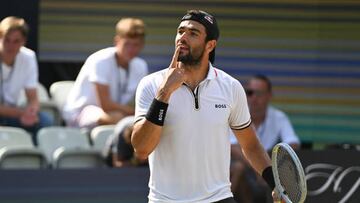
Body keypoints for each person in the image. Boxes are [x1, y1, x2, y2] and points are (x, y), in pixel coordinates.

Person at [131, 10, 280, 203]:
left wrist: (276, 184)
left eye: (193, 33)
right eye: (180, 31)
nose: (182, 38)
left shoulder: (231, 87)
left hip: (219, 198)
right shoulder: (151, 85)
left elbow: (250, 145)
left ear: (210, 45)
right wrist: (164, 92)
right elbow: (141, 149)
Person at [63, 18, 148, 129]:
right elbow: (106, 105)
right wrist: (133, 112)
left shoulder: (141, 65)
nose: (131, 49)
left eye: (136, 45)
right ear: (117, 41)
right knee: (119, 118)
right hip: (81, 113)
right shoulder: (101, 60)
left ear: (142, 45)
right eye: (127, 44)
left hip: (117, 113)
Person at [230, 74, 300, 202]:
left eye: (260, 93)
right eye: (250, 93)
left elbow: (293, 143)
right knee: (238, 168)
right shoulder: (236, 113)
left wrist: (271, 164)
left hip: (270, 170)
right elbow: (233, 147)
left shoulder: (279, 117)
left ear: (269, 96)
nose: (254, 98)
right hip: (248, 170)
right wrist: (259, 168)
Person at [0, 16, 53, 144]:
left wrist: (32, 112)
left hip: (12, 113)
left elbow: (33, 97)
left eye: (16, 41)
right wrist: (21, 113)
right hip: (13, 112)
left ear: (24, 41)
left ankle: (35, 161)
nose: (10, 45)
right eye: (7, 40)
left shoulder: (28, 57)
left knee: (45, 121)